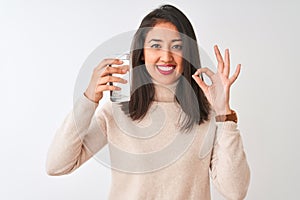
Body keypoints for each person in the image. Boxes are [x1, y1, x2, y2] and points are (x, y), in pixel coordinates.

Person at [46, 4, 250, 200]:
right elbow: (57, 165)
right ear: (142, 53)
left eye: (177, 46)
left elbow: (235, 191)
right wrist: (88, 100)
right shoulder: (118, 110)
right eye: (155, 46)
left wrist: (224, 113)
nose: (166, 56)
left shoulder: (207, 113)